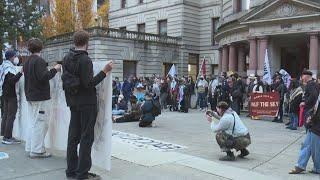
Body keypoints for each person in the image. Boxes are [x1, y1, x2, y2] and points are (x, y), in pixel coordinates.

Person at [62, 30, 113, 180]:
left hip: (73, 102)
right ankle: (82, 173)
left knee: (73, 137)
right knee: (86, 138)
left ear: (74, 42)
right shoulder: (85, 60)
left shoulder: (66, 58)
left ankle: (71, 170)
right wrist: (104, 71)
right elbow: (89, 84)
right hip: (86, 103)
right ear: (87, 43)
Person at [23, 38, 61, 158]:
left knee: (33, 122)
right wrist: (55, 69)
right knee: (40, 123)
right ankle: (37, 150)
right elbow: (43, 77)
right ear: (41, 48)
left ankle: (31, 147)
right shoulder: (38, 61)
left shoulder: (27, 61)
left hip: (31, 95)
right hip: (40, 96)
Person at [289, 70, 320, 174]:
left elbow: (314, 101)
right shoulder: (315, 85)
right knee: (310, 145)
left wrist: (306, 105)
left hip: (316, 124)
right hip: (314, 121)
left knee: (312, 146)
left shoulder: (311, 85)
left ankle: (304, 166)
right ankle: (305, 166)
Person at [0, 50, 23, 144]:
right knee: (11, 115)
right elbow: (11, 81)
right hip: (10, 94)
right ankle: (7, 137)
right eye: (14, 56)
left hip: (4, 93)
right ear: (11, 57)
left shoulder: (3, 65)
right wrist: (20, 73)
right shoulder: (8, 67)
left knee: (5, 114)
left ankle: (3, 135)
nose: (16, 58)